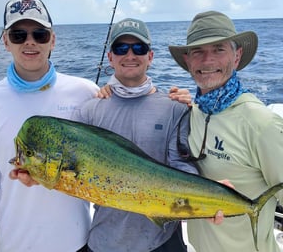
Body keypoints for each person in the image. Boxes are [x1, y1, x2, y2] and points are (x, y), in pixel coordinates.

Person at [168, 10, 283, 252]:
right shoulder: (189, 113)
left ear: (236, 56)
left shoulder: (263, 124)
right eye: (198, 51)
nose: (208, 61)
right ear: (188, 60)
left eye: (219, 49)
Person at [0, 0, 99, 252]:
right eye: (19, 34)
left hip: (81, 244)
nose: (30, 41)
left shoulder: (86, 92)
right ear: (6, 41)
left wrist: (177, 101)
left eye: (40, 34)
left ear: (52, 40)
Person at [72, 17, 198, 252]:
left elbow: (183, 166)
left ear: (150, 56)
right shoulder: (88, 112)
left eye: (139, 48)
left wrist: (205, 198)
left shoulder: (175, 108)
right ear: (110, 57)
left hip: (162, 240)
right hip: (104, 241)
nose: (130, 55)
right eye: (121, 48)